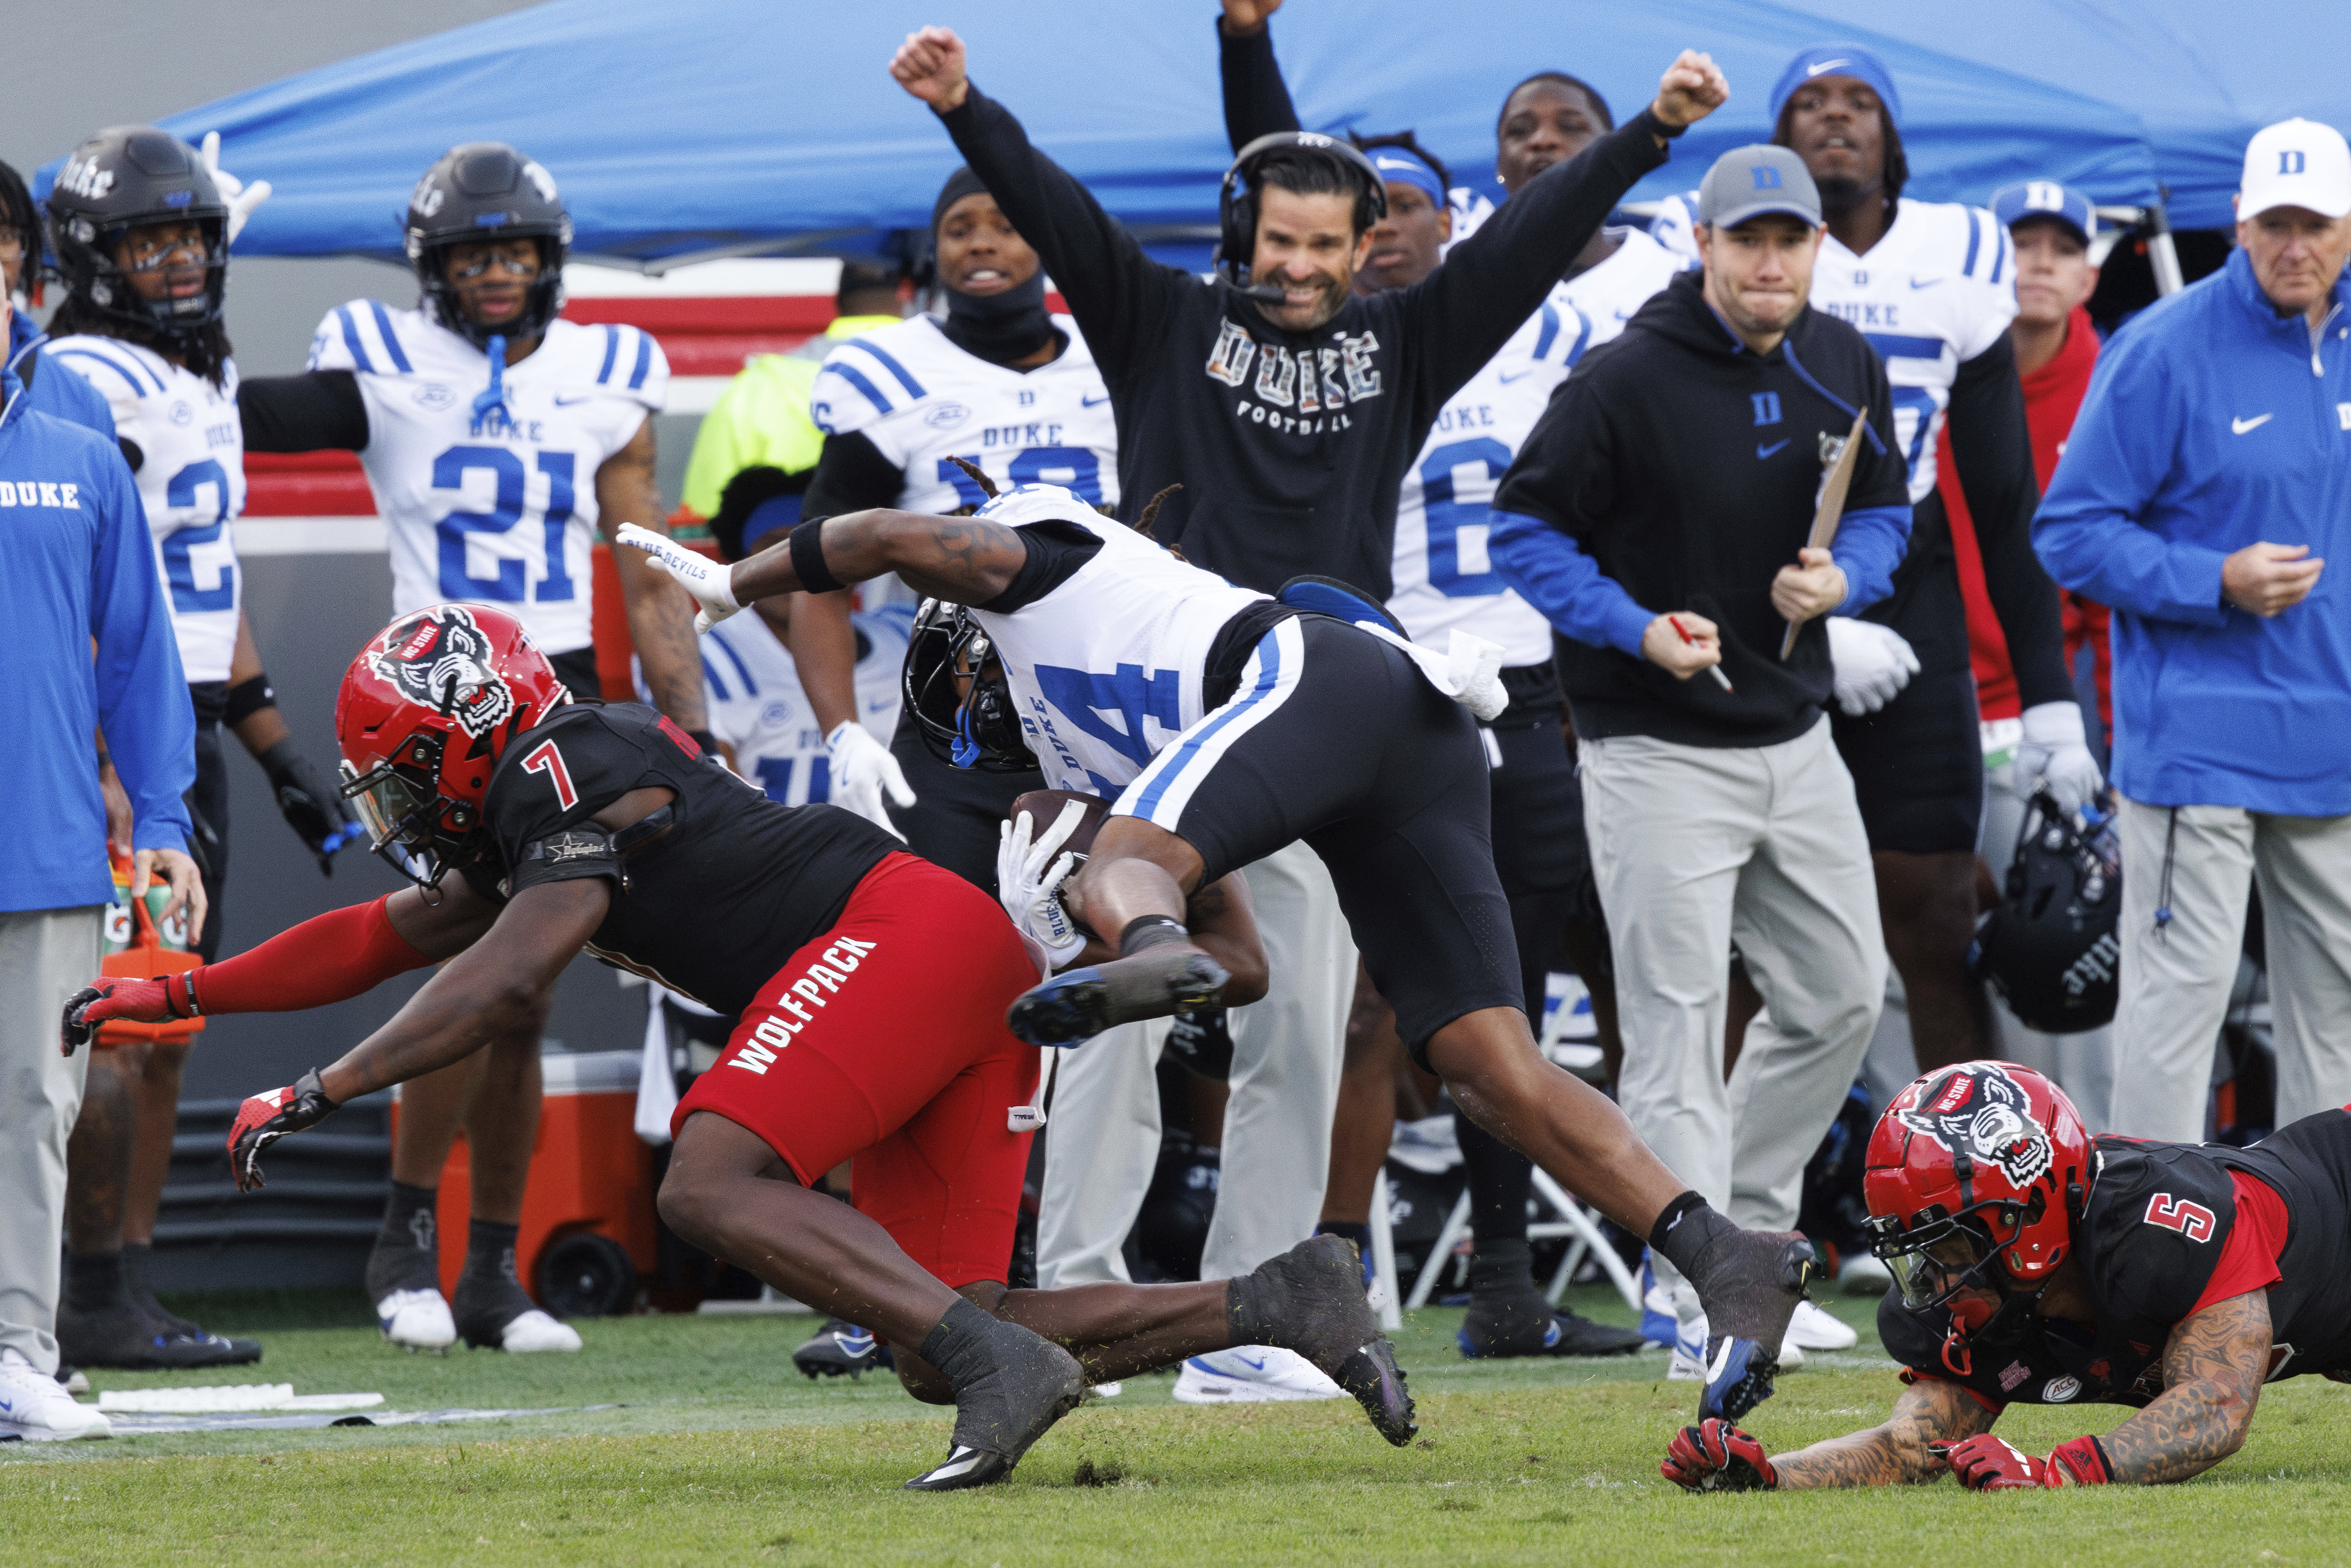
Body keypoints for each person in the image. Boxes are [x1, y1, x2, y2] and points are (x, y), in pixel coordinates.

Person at [65, 602, 1416, 1489]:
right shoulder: (544, 804)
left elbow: (508, 974)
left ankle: (1019, 1370)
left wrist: (319, 1085)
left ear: (471, 733)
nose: (403, 803)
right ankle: (1281, 1300)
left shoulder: (560, 762)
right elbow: (378, 932)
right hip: (936, 972)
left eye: (410, 769)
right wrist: (183, 991)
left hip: (903, 941)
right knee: (936, 1338)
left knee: (705, 1178)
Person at [889, 17, 1729, 1401]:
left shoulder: (1402, 343)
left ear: (1364, 247)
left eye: (1322, 246)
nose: (1294, 269)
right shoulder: (1164, 319)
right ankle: (1074, 1307)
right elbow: (1057, 207)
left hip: (1315, 724)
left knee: (1301, 1019)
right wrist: (965, 108)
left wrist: (1649, 133)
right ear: (1242, 234)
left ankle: (1251, 1322)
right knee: (1114, 1014)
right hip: (1154, 719)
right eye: (1273, 242)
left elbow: (1518, 248)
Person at [619, 466, 1818, 1424]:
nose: (979, 717)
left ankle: (1128, 951)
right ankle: (1721, 1254)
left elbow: (881, 532)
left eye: (961, 688)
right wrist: (1156, 963)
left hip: (1317, 672)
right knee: (1484, 1065)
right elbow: (1237, 958)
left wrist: (734, 581)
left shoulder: (1030, 567)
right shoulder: (1095, 760)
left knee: (1115, 874)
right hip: (1406, 735)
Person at [1216, 0, 1661, 1361]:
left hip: (1518, 687)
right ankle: (1334, 1262)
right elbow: (1267, 164)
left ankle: (1554, 1266)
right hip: (1363, 686)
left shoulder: (1514, 328)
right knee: (1355, 1005)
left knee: (1526, 990)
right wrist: (1246, 47)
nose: (1395, 225)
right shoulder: (1318, 355)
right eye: (1374, 207)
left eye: (1413, 204)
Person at [237, 142, 708, 1355]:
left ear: (545, 260)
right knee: (461, 980)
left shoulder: (609, 372)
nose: (493, 274)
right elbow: (245, 419)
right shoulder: (384, 358)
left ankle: (492, 1270)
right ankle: (406, 1240)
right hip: (432, 711)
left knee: (526, 995)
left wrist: (688, 724)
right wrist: (187, 325)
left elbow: (645, 565)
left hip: (559, 701)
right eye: (469, 255)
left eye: (512, 252)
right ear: (430, 266)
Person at [1488, 146, 1910, 1390]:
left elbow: (1884, 508)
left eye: (1790, 240)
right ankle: (1690, 1291)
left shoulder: (1841, 354)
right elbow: (1524, 529)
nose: (1769, 261)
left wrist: (1848, 578)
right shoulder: (1619, 376)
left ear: (1815, 249)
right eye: (1747, 241)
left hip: (1794, 733)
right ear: (1704, 245)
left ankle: (1752, 1250)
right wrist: (1633, 626)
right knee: (1670, 1030)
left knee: (1839, 994)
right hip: (1650, 747)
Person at [1655, 47, 2097, 1079]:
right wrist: (1802, 638)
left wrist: (2048, 701)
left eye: (1858, 102)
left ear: (1892, 138)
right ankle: (1750, 1219)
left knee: (1933, 911)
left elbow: (1999, 500)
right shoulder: (1732, 275)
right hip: (1752, 601)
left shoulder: (1958, 262)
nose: (1834, 118)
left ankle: (1971, 1201)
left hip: (1906, 601)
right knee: (1738, 933)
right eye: (1806, 104)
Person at [45, 124, 352, 1372]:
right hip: (114, 737)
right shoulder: (86, 373)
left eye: (190, 237)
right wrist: (117, 762)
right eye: (148, 239)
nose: (176, 261)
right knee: (111, 1025)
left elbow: (202, 591)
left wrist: (280, 753)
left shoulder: (198, 375)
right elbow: (96, 589)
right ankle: (78, 1294)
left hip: (185, 736)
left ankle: (128, 1283)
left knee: (169, 1018)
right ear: (93, 254)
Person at [2034, 118, 2351, 1144]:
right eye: (2273, 224)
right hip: (2196, 745)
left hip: (2333, 747)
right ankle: (2148, 1276)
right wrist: (2211, 577)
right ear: (2237, 223)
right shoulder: (2161, 346)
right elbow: (2069, 532)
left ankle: (2326, 1278)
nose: (2292, 245)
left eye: (2314, 224)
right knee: (2176, 1016)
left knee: (2337, 1024)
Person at [1662, 1061, 2351, 1491]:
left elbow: (2214, 1406)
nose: (1931, 1278)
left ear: (2027, 1216)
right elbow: (1910, 1445)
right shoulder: (1985, 1302)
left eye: (1949, 1245)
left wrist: (2058, 1470)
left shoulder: (2151, 1229)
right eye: (1914, 1250)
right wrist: (1771, 1475)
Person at [0, 306, 199, 1439]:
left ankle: (20, 1353)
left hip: (46, 847)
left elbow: (139, 653)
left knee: (35, 1108)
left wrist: (163, 817)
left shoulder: (82, 463)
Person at [1937, 181, 2114, 1124]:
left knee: (2061, 966)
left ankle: (2086, 1177)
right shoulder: (1936, 366)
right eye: (2018, 243)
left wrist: (2107, 744)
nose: (2035, 263)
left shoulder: (2110, 387)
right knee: (1904, 960)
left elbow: (2109, 605)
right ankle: (1937, 1178)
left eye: (2058, 246)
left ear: (2089, 272)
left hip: (2044, 722)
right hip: (1917, 709)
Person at [677, 255, 913, 833]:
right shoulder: (927, 374)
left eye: (796, 547)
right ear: (908, 296)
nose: (792, 565)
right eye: (775, 550)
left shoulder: (757, 387)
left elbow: (699, 509)